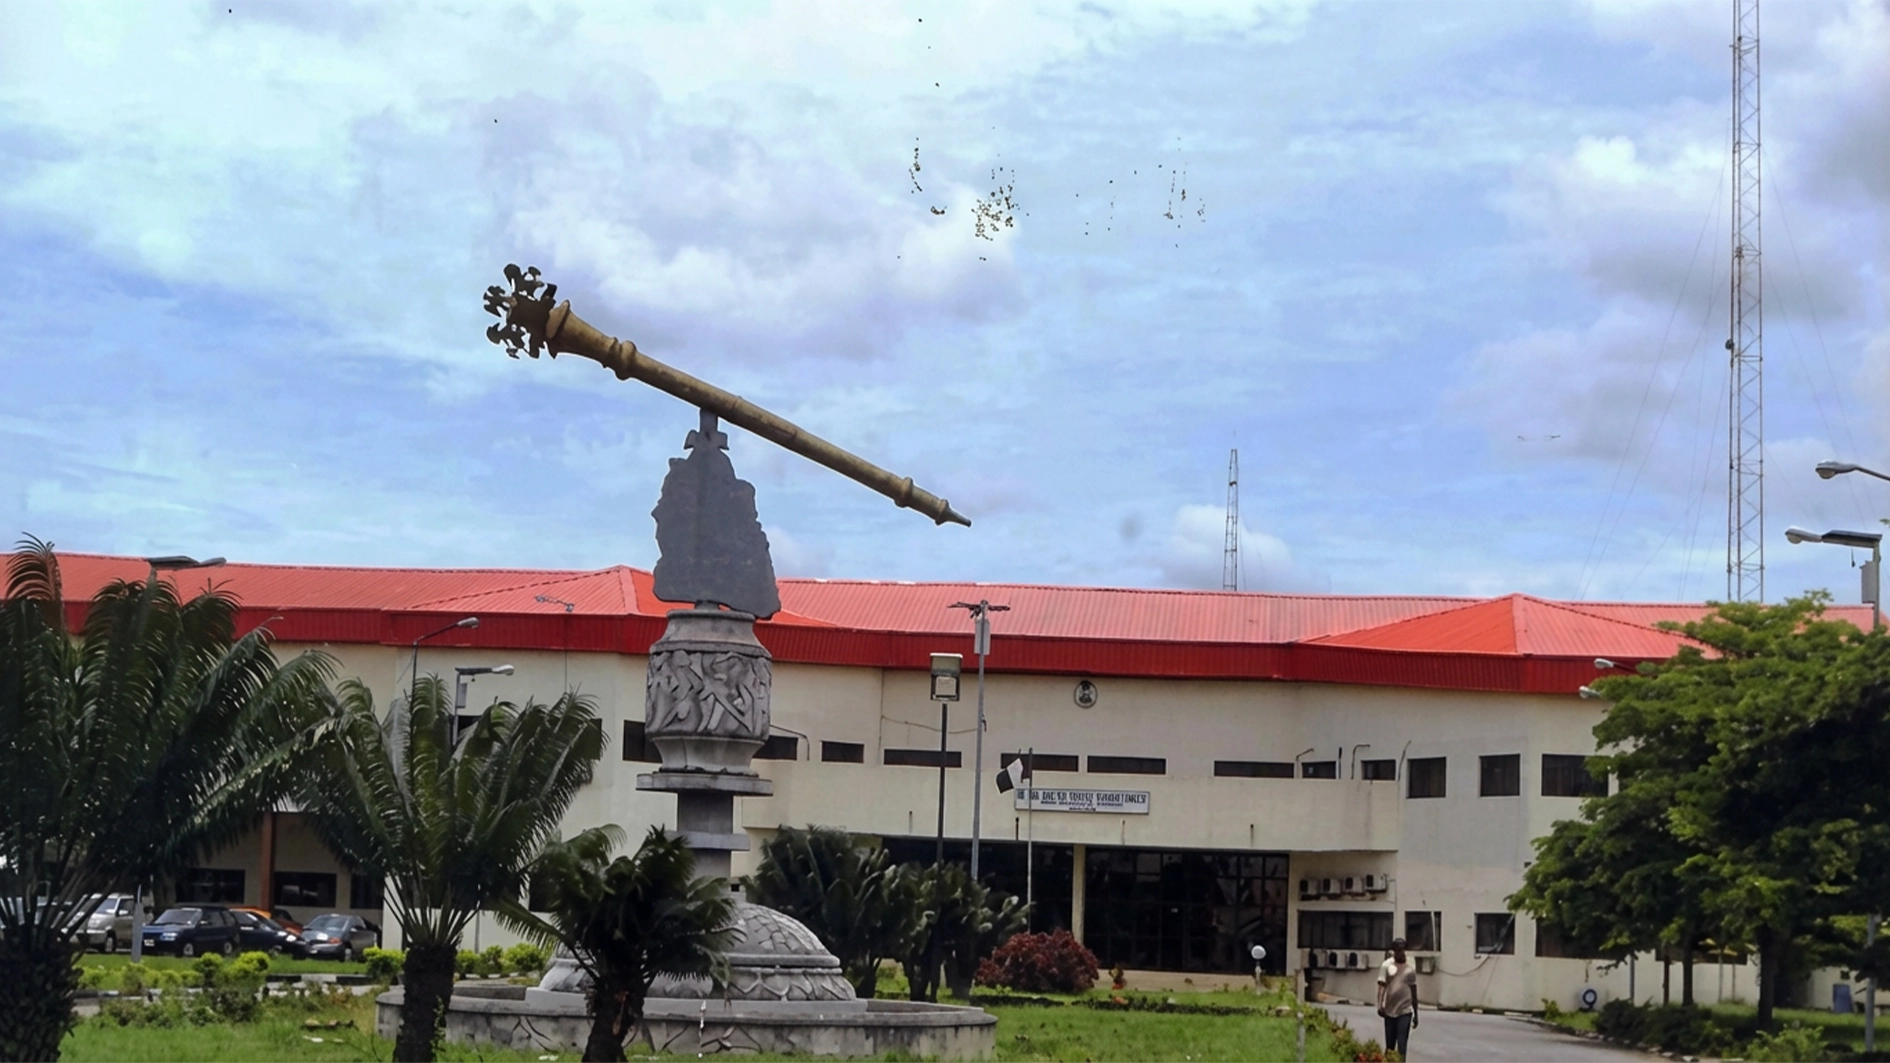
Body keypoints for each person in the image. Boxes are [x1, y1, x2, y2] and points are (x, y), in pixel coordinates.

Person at [1377, 937, 1419, 1058]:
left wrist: (1416, 1012)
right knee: (1390, 1046)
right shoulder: (1387, 966)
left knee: (1402, 1044)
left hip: (1405, 1011)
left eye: (1402, 949)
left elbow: (1413, 990)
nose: (1400, 952)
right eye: (1398, 950)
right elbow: (1381, 986)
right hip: (1390, 1010)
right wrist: (1380, 1004)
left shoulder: (1410, 968)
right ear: (1394, 950)